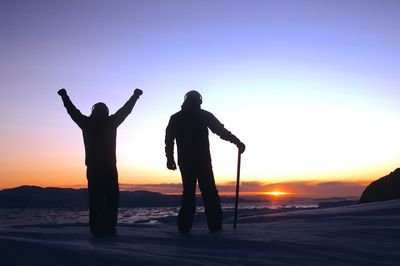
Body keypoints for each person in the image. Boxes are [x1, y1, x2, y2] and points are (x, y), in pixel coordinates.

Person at [58, 88, 143, 236]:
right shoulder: (110, 122)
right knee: (111, 198)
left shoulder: (87, 123)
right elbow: (126, 110)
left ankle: (97, 227)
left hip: (94, 168)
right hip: (108, 167)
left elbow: (72, 111)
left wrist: (64, 96)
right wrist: (135, 96)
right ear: (105, 111)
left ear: (94, 111)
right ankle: (108, 226)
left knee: (96, 198)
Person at [165, 90, 245, 233]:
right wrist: (236, 141)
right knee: (207, 193)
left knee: (193, 193)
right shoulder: (199, 115)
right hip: (200, 161)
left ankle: (187, 227)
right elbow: (220, 131)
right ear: (199, 101)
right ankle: (212, 226)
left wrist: (170, 158)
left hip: (190, 161)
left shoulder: (178, 117)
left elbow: (169, 140)